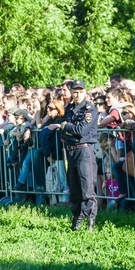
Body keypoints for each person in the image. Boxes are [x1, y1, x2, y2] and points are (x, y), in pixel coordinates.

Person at [49, 79, 98, 231]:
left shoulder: (89, 109)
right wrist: (68, 128)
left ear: (85, 91)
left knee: (87, 188)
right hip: (71, 150)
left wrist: (67, 127)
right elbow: (64, 130)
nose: (77, 94)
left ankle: (90, 221)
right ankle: (77, 219)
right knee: (75, 189)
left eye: (80, 91)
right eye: (75, 91)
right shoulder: (69, 108)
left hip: (84, 150)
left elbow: (81, 131)